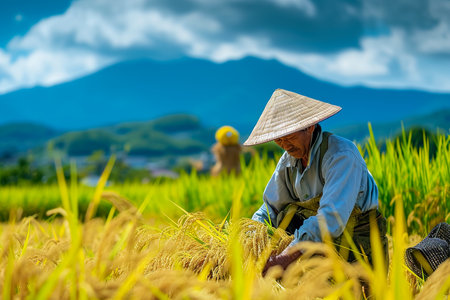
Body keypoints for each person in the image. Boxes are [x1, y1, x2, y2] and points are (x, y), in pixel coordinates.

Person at [243, 88, 389, 272]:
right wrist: (250, 235)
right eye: (279, 140)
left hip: (359, 243)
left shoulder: (341, 155)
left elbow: (331, 218)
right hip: (317, 242)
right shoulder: (289, 161)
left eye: (289, 137)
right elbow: (270, 208)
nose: (285, 145)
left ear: (310, 127)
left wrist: (286, 257)